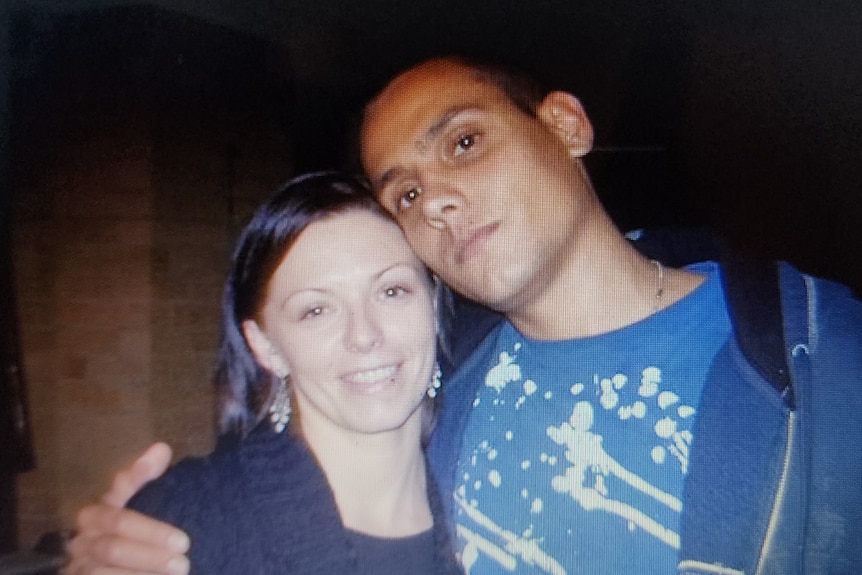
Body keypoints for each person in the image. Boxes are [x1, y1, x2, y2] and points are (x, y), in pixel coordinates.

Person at [66, 56, 862, 575]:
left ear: (566, 125)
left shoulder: (830, 363)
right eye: (405, 193)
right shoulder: (438, 394)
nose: (436, 195)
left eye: (464, 142)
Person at [65, 172, 463, 575]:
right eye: (316, 310)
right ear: (265, 346)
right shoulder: (182, 523)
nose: (364, 335)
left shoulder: (481, 505)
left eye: (392, 291)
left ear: (432, 305)